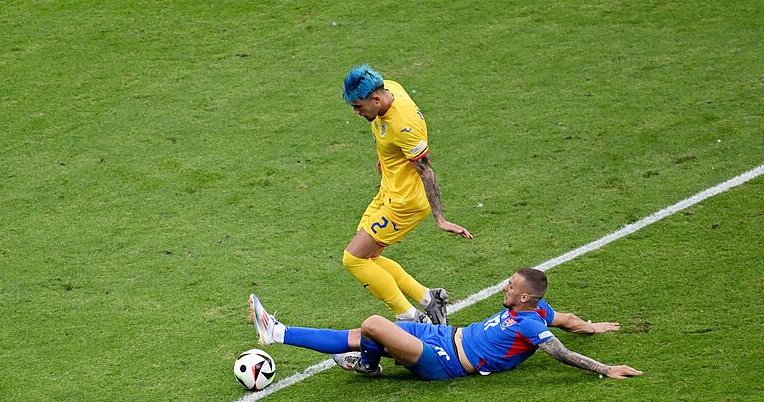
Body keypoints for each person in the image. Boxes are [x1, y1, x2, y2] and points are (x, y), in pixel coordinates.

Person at [248, 268, 643, 381]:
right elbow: (568, 323)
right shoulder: (540, 311)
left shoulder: (530, 325)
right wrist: (594, 326)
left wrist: (606, 369)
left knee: (372, 324)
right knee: (359, 334)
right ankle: (276, 332)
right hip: (443, 335)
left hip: (444, 360)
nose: (504, 287)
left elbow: (561, 352)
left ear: (525, 298)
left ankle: (368, 365)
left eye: (511, 287)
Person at [340, 64, 473, 325]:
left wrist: (440, 219)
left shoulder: (404, 125)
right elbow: (389, 138)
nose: (356, 112)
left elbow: (426, 170)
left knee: (354, 259)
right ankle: (428, 299)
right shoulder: (389, 89)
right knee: (369, 258)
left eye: (358, 106)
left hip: (405, 203)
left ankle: (410, 317)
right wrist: (386, 158)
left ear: (376, 99)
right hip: (389, 190)